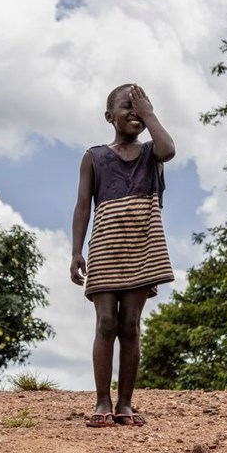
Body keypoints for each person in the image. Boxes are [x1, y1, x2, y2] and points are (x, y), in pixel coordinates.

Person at [71, 83, 175, 427]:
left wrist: (150, 113)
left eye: (140, 106)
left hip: (141, 247)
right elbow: (83, 206)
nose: (134, 111)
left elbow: (169, 148)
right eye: (127, 106)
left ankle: (125, 403)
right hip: (104, 247)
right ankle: (102, 401)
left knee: (130, 324)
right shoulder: (94, 157)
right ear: (108, 116)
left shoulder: (151, 153)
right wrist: (76, 251)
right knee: (105, 323)